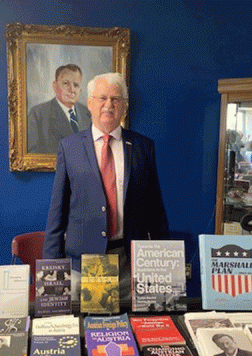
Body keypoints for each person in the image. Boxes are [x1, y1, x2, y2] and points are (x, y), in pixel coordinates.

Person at [42, 72, 170, 301]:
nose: (108, 105)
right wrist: (52, 272)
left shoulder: (143, 147)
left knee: (130, 331)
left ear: (124, 106)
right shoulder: (69, 147)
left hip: (130, 264)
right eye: (102, 98)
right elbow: (57, 212)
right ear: (90, 103)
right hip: (83, 264)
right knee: (84, 331)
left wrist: (164, 266)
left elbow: (155, 211)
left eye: (115, 99)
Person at [27, 64, 92, 154]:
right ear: (55, 85)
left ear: (80, 90)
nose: (72, 89)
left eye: (76, 85)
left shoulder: (88, 113)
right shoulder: (38, 114)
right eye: (66, 83)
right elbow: (31, 154)